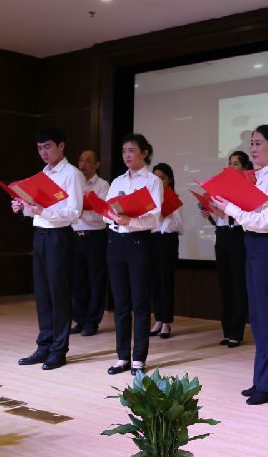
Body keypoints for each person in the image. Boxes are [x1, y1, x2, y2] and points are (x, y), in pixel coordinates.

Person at [211, 125, 268, 406]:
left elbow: (266, 220)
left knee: (267, 315)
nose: (253, 149)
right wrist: (228, 206)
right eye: (252, 143)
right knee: (258, 316)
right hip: (256, 245)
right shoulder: (262, 176)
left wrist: (231, 209)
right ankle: (264, 380)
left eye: (259, 143)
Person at [13, 126, 84, 371]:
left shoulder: (72, 174)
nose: (43, 152)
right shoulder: (42, 174)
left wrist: (43, 211)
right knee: (43, 294)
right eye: (39, 148)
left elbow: (74, 212)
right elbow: (35, 207)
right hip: (40, 236)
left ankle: (59, 350)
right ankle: (44, 346)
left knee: (59, 294)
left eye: (47, 146)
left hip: (59, 237)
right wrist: (22, 207)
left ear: (61, 146)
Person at [104, 133, 163, 376]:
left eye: (132, 151)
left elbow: (155, 217)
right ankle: (122, 357)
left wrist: (131, 220)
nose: (127, 155)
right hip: (115, 242)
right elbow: (106, 210)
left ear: (144, 153)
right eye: (124, 151)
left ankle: (138, 358)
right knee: (120, 304)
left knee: (139, 303)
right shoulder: (117, 181)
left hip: (139, 242)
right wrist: (112, 215)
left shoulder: (152, 181)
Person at [202, 151, 252, 348]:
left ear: (245, 167)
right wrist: (210, 212)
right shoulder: (222, 187)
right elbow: (221, 216)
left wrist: (226, 211)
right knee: (225, 284)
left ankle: (236, 332)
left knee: (238, 284)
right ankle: (227, 330)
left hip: (238, 235)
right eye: (230, 163)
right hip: (222, 234)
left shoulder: (248, 186)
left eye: (236, 164)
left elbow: (248, 215)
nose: (232, 167)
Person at [70, 148, 109, 337]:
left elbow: (104, 214)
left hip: (95, 236)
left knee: (96, 280)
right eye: (80, 160)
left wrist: (83, 212)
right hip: (75, 236)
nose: (82, 164)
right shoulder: (74, 183)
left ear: (97, 165)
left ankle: (92, 321)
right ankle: (80, 319)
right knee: (78, 280)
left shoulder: (103, 185)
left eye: (87, 161)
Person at [149, 163, 182, 339]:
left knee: (165, 282)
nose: (158, 181)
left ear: (169, 180)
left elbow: (178, 226)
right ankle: (158, 319)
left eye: (162, 178)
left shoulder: (172, 198)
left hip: (167, 241)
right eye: (155, 177)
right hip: (151, 241)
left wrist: (164, 217)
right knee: (155, 283)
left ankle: (166, 322)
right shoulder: (150, 198)